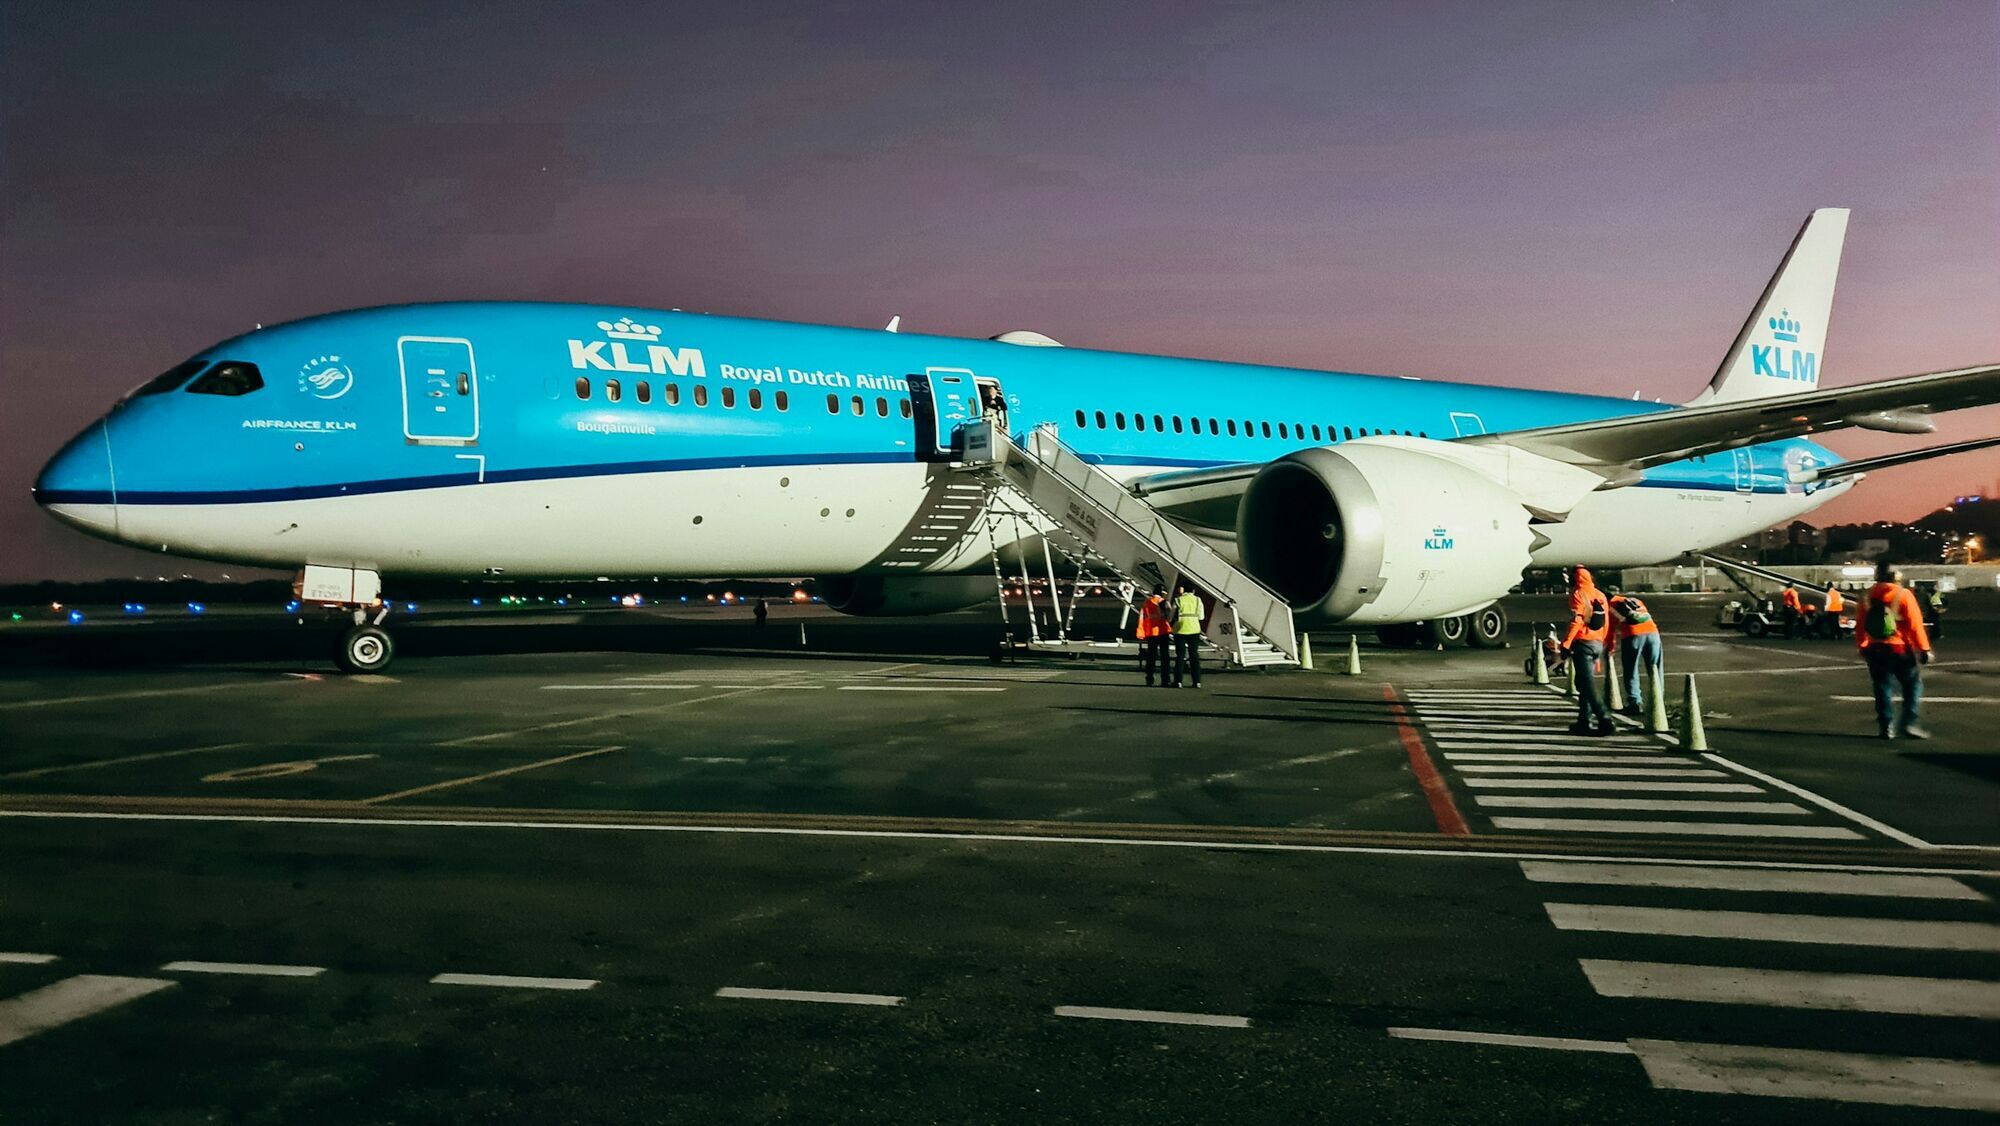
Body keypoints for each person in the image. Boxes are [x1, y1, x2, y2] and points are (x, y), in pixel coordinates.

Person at [1857, 562, 1932, 740]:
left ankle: (1886, 726)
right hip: (1899, 648)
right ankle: (1908, 723)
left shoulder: (1867, 596)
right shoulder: (1903, 594)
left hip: (1875, 648)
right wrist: (1923, 648)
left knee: (1882, 686)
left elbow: (1861, 625)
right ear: (1896, 576)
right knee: (1913, 685)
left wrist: (1862, 646)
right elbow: (1915, 625)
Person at [1562, 565, 1614, 736]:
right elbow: (1606, 623)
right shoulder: (1600, 594)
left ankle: (1604, 718)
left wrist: (1566, 643)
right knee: (1585, 683)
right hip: (1597, 642)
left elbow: (1577, 620)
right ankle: (1583, 721)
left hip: (1583, 642)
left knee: (1585, 683)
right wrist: (1602, 643)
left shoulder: (1578, 594)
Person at [1607, 586, 1662, 717]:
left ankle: (1634, 703)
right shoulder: (1634, 600)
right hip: (1653, 633)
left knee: (1631, 669)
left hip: (1633, 635)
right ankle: (1658, 701)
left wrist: (1611, 647)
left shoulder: (1609, 606)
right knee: (1655, 668)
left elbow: (1610, 629)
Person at [1170, 582, 1205, 689]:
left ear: (1183, 590)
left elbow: (1171, 615)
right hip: (1194, 628)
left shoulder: (1178, 600)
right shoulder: (1198, 600)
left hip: (1180, 629)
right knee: (1194, 655)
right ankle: (1196, 681)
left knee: (1180, 656)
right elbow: (1201, 617)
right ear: (1193, 591)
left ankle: (1178, 681)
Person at [1136, 586, 1171, 687]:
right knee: (1165, 657)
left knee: (1151, 656)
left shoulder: (1147, 602)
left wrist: (1141, 632)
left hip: (1151, 632)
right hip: (1163, 631)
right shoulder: (1164, 602)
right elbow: (1168, 616)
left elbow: (1142, 618)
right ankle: (1165, 679)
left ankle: (1149, 678)